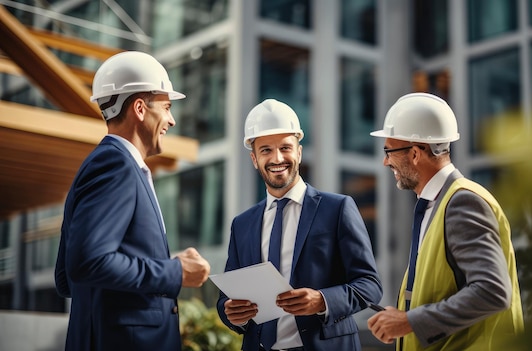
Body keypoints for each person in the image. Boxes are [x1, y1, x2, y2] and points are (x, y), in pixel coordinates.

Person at [54, 51, 211, 351]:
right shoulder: (116, 166)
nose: (172, 119)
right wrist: (175, 271)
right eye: (166, 107)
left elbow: (67, 277)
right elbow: (88, 263)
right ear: (140, 108)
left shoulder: (101, 164)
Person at [216, 99, 383, 351]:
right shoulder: (242, 224)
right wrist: (231, 313)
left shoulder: (337, 209)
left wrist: (322, 300)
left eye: (285, 147)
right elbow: (226, 300)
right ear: (254, 159)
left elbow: (369, 285)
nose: (277, 158)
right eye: (266, 150)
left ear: (299, 152)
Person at [367, 93, 524, 350]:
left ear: (416, 153)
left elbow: (492, 291)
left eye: (389, 151)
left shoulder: (463, 202)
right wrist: (403, 316)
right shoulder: (436, 204)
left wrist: (410, 321)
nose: (385, 161)